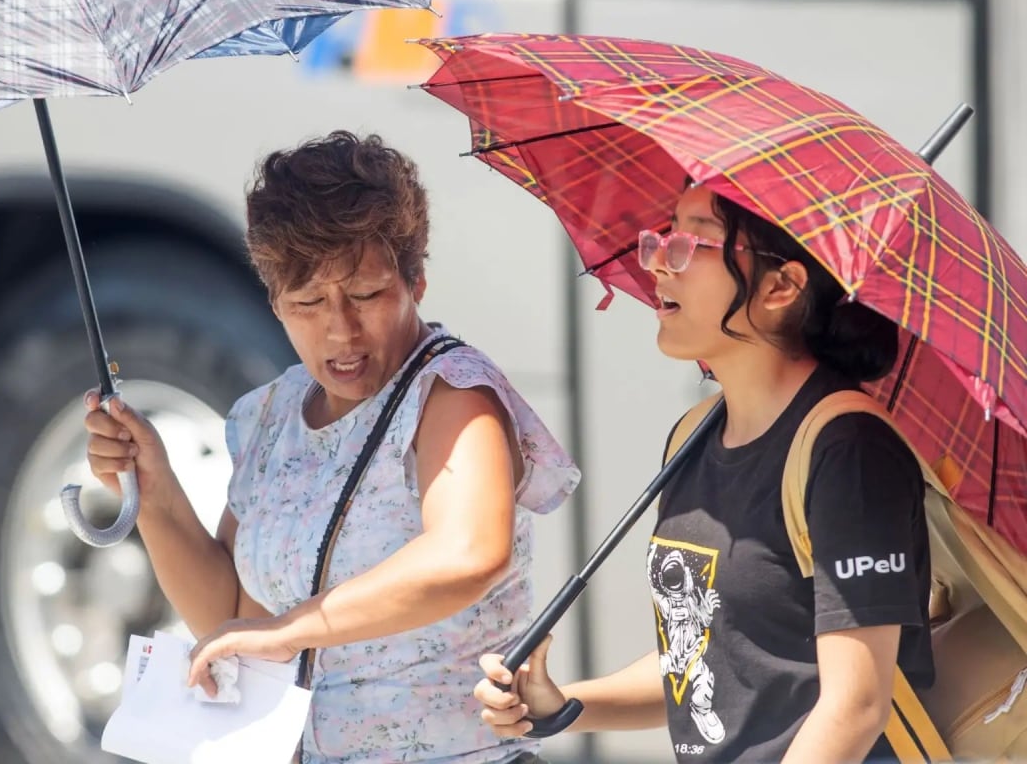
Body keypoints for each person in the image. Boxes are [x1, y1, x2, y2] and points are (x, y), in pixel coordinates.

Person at [84, 130, 578, 764]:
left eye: (367, 295)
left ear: (416, 279)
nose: (341, 329)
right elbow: (233, 621)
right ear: (274, 303)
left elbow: (468, 555)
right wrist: (152, 489)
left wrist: (292, 628)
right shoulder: (271, 415)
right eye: (308, 303)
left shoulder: (453, 393)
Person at [472, 182, 933, 763]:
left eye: (692, 243)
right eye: (663, 237)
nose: (660, 261)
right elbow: (700, 667)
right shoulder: (693, 434)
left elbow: (857, 707)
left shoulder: (848, 450)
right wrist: (561, 705)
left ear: (779, 286)